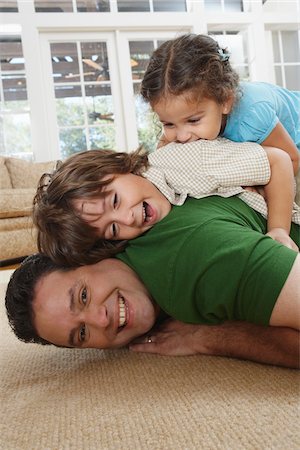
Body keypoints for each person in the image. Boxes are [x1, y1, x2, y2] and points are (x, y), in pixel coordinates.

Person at [4, 247, 300, 369]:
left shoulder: (195, 254)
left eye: (82, 296)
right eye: (81, 333)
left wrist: (211, 337)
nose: (99, 319)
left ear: (92, 254)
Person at [33, 142, 300, 268]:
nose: (127, 219)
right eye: (113, 229)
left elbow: (278, 161)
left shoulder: (183, 161)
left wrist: (279, 230)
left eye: (115, 200)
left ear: (120, 167)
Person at [140, 34, 300, 175]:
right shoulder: (182, 122)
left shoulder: (252, 116)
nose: (182, 136)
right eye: (168, 124)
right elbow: (161, 157)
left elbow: (292, 160)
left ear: (225, 101)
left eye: (193, 120)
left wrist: (258, 190)